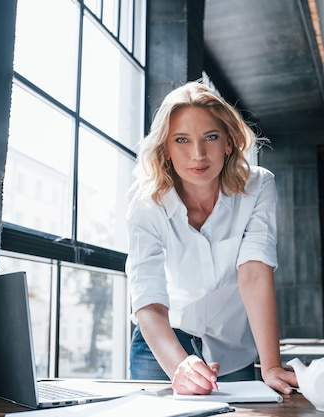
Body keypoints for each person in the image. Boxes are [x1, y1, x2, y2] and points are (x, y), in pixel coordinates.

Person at [125, 81, 297, 395]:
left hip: (233, 349)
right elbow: (147, 300)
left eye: (211, 137)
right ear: (166, 149)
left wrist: (271, 365)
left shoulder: (258, 187)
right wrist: (180, 365)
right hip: (161, 345)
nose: (198, 154)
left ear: (229, 143)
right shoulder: (147, 206)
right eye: (181, 140)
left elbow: (254, 274)